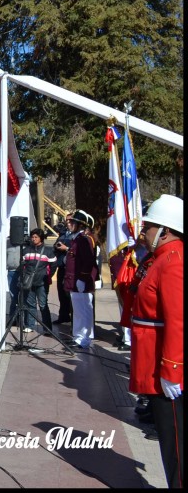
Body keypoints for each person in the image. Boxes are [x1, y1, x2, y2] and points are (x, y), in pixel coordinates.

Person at [129, 195, 183, 489]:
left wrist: (172, 369)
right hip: (157, 361)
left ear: (166, 229)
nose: (144, 232)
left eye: (149, 226)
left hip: (166, 369)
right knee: (169, 441)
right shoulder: (160, 260)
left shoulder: (173, 262)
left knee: (175, 444)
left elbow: (178, 320)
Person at [63, 209, 98, 349]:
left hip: (80, 280)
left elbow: (88, 260)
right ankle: (78, 336)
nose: (70, 224)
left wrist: (83, 278)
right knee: (78, 310)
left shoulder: (84, 240)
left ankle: (85, 337)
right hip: (74, 279)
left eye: (74, 222)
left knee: (84, 310)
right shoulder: (77, 239)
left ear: (81, 225)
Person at [18, 228, 54, 333]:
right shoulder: (26, 250)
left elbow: (54, 264)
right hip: (29, 282)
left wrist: (48, 275)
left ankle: (47, 328)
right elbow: (22, 264)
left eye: (36, 237)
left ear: (41, 238)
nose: (33, 239)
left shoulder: (48, 251)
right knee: (30, 305)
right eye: (32, 237)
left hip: (42, 283)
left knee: (43, 305)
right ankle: (30, 325)